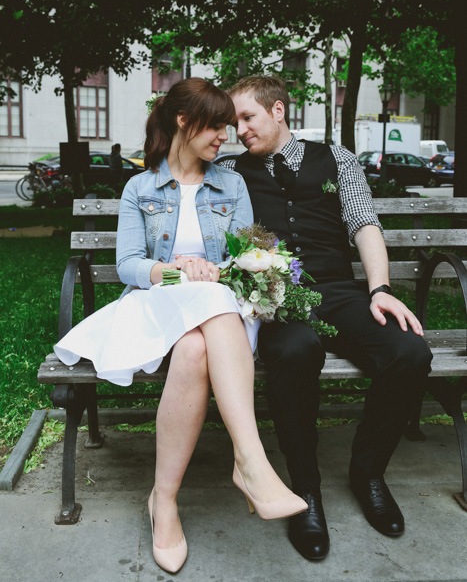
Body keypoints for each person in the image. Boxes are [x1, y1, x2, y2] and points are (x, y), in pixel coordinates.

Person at [54, 77, 306, 574]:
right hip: (157, 304)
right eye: (217, 127)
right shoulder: (139, 187)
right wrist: (174, 270)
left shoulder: (231, 184)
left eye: (229, 129)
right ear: (184, 122)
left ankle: (163, 501)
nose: (225, 139)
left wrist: (222, 268)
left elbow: (244, 254)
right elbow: (127, 264)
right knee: (204, 302)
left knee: (195, 345)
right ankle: (250, 462)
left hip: (216, 316)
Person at [218, 75, 432, 562]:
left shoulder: (337, 159)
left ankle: (368, 473)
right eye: (234, 123)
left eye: (247, 118)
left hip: (339, 292)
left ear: (277, 112)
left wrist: (379, 290)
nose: (239, 130)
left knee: (410, 352)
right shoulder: (230, 171)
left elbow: (364, 224)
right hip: (278, 297)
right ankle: (306, 489)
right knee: (295, 351)